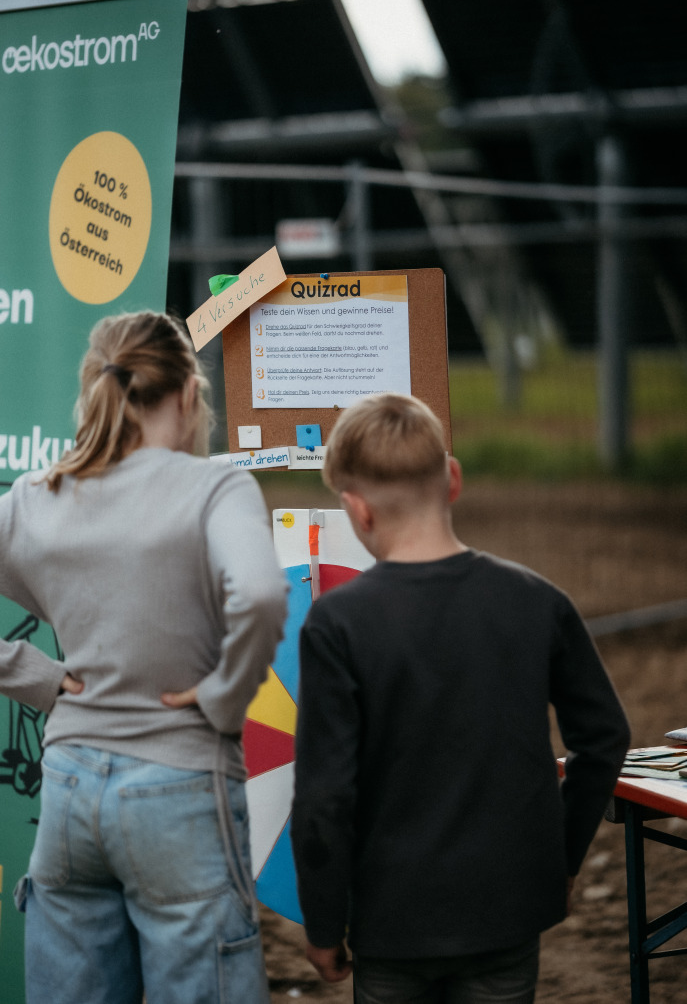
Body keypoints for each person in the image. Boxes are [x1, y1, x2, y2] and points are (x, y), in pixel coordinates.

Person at [291, 392, 630, 1004]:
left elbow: (323, 793)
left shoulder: (335, 624)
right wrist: (562, 858)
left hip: (390, 920)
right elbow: (604, 737)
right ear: (453, 478)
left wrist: (321, 921)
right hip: (508, 910)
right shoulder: (537, 601)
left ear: (356, 509)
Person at [0, 311, 288, 1004]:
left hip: (67, 793)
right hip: (181, 790)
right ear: (189, 392)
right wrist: (223, 696)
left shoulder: (35, 498)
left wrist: (36, 680)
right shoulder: (215, 489)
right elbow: (257, 593)